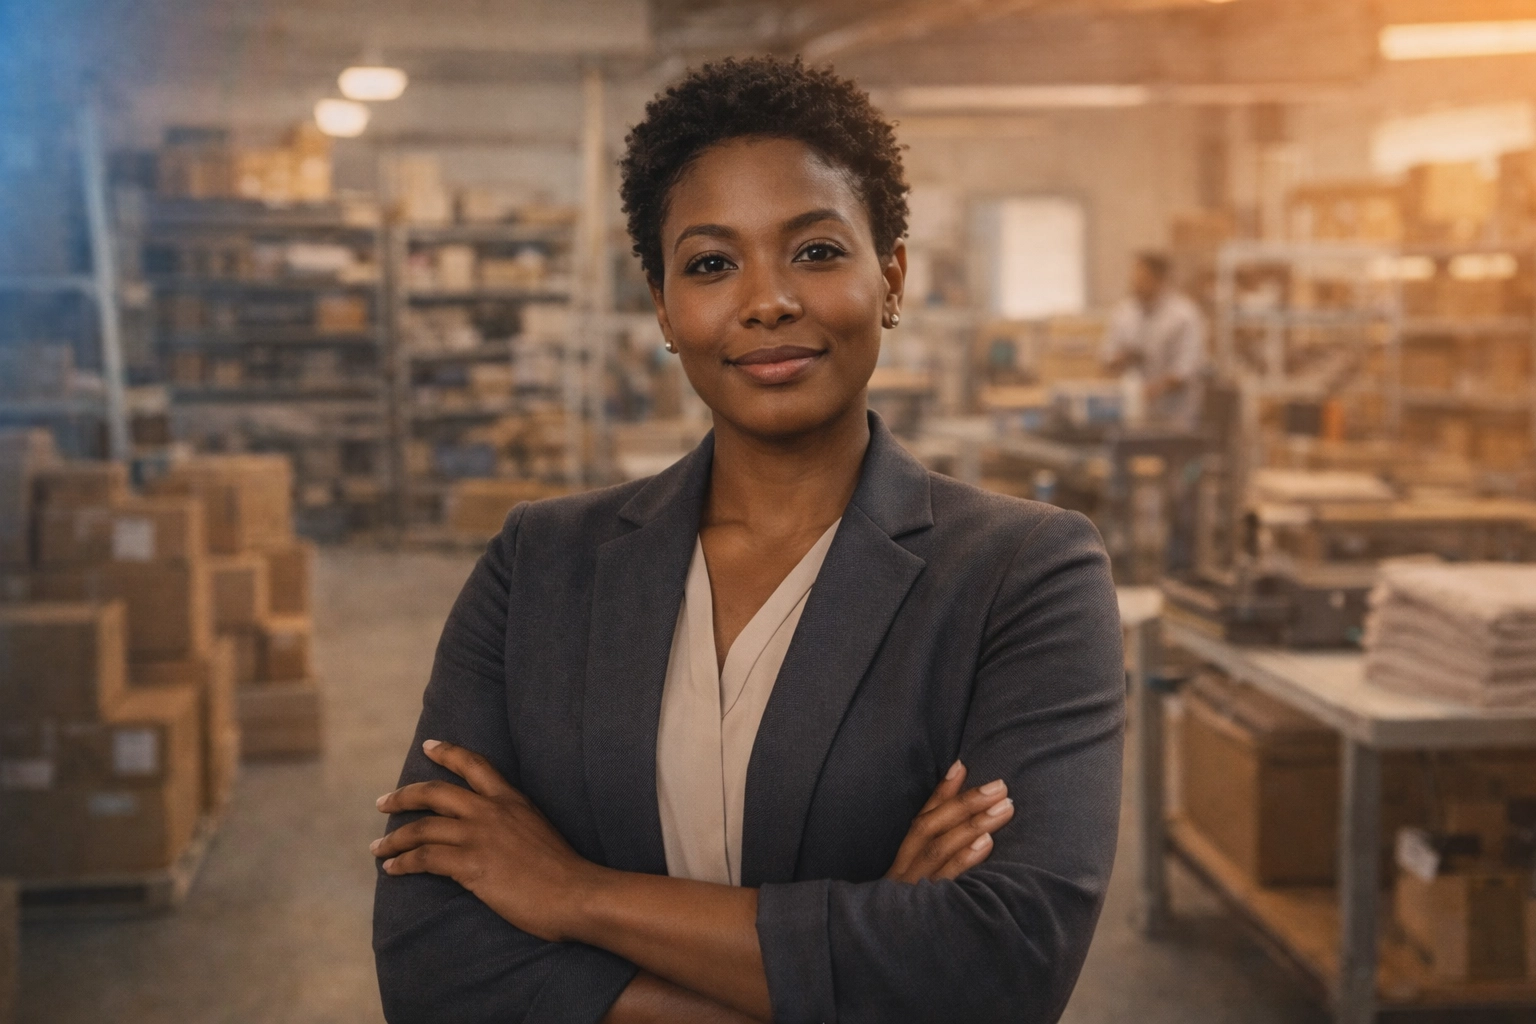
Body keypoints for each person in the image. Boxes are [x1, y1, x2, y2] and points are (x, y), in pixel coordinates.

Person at [371, 57, 1125, 1024]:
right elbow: (431, 964)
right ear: (663, 306)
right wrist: (864, 957)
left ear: (890, 275)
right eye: (712, 263)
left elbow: (1004, 966)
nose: (766, 300)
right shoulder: (540, 565)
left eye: (815, 251)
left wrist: (573, 895)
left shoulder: (1023, 574)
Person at [1101, 251, 1208, 431]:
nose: (1135, 284)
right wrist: (1122, 358)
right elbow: (1107, 357)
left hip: (1176, 415)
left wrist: (1154, 390)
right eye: (1133, 278)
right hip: (1132, 414)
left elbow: (1186, 369)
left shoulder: (1184, 316)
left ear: (1160, 280)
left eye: (1142, 279)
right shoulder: (1124, 313)